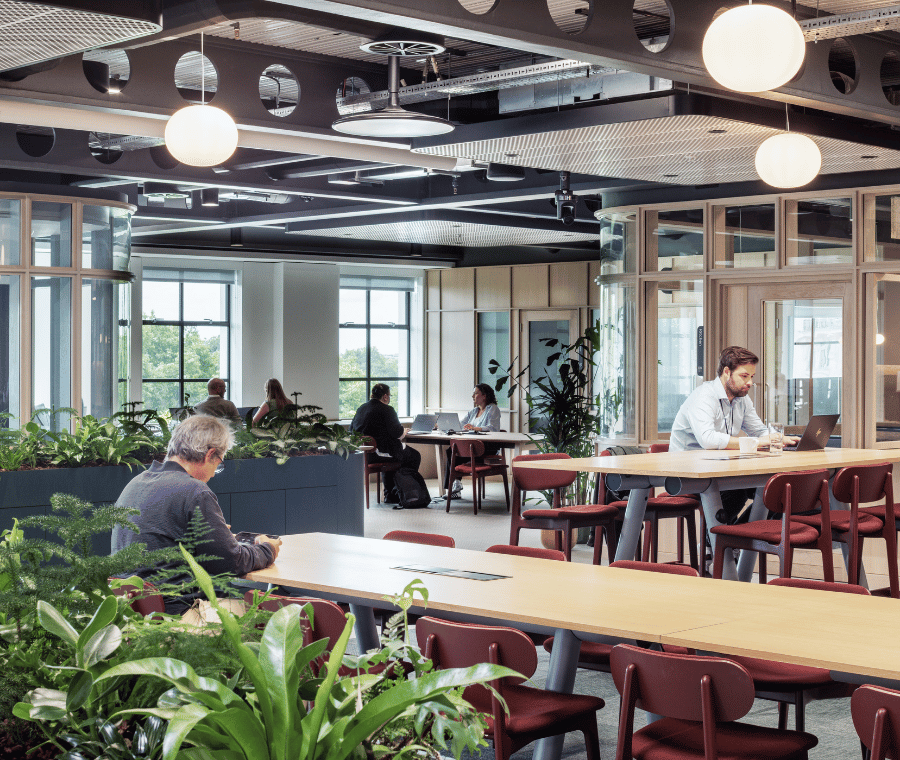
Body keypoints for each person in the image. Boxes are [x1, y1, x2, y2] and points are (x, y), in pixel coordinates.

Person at [112, 415, 282, 615]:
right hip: (177, 614)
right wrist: (267, 549)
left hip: (132, 613)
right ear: (210, 454)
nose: (212, 474)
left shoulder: (135, 484)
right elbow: (232, 562)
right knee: (268, 615)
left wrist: (211, 537)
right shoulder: (194, 491)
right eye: (218, 464)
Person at [669, 346, 798, 524]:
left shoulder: (742, 399)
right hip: (687, 475)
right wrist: (758, 442)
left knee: (776, 490)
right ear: (726, 372)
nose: (750, 383)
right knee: (738, 490)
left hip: (718, 470)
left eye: (752, 377)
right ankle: (719, 541)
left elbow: (759, 431)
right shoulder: (704, 396)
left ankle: (736, 538)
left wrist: (779, 438)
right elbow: (708, 439)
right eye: (744, 376)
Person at [350, 383, 421, 506]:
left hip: (363, 454)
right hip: (379, 453)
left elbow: (351, 430)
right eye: (389, 395)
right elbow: (397, 432)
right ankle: (400, 492)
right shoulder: (387, 410)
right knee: (413, 456)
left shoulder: (361, 408)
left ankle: (390, 494)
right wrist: (403, 431)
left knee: (393, 455)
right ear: (385, 397)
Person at [444, 383, 502, 499]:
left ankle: (454, 485)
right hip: (472, 446)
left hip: (487, 447)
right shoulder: (473, 411)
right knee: (451, 450)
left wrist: (476, 428)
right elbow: (460, 425)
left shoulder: (493, 409)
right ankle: (454, 485)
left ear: (484, 396)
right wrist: (445, 426)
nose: (473, 396)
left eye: (475, 393)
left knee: (453, 451)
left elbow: (493, 428)